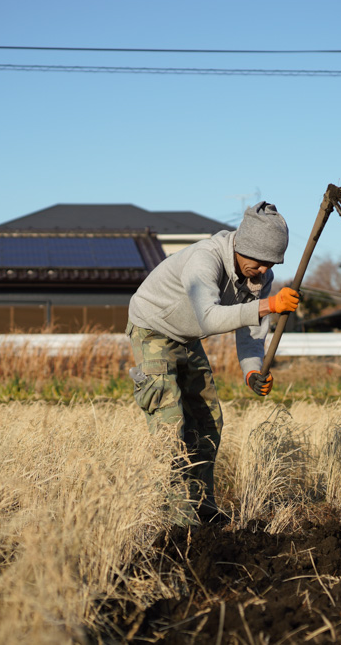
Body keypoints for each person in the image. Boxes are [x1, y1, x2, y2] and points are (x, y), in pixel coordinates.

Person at [126, 201, 300, 524]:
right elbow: (208, 318)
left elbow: (250, 334)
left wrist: (252, 372)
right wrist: (268, 305)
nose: (265, 270)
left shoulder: (260, 276)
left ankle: (202, 507)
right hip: (152, 327)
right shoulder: (205, 259)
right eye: (261, 261)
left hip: (185, 336)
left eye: (272, 263)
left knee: (208, 420)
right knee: (171, 421)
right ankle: (176, 519)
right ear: (244, 246)